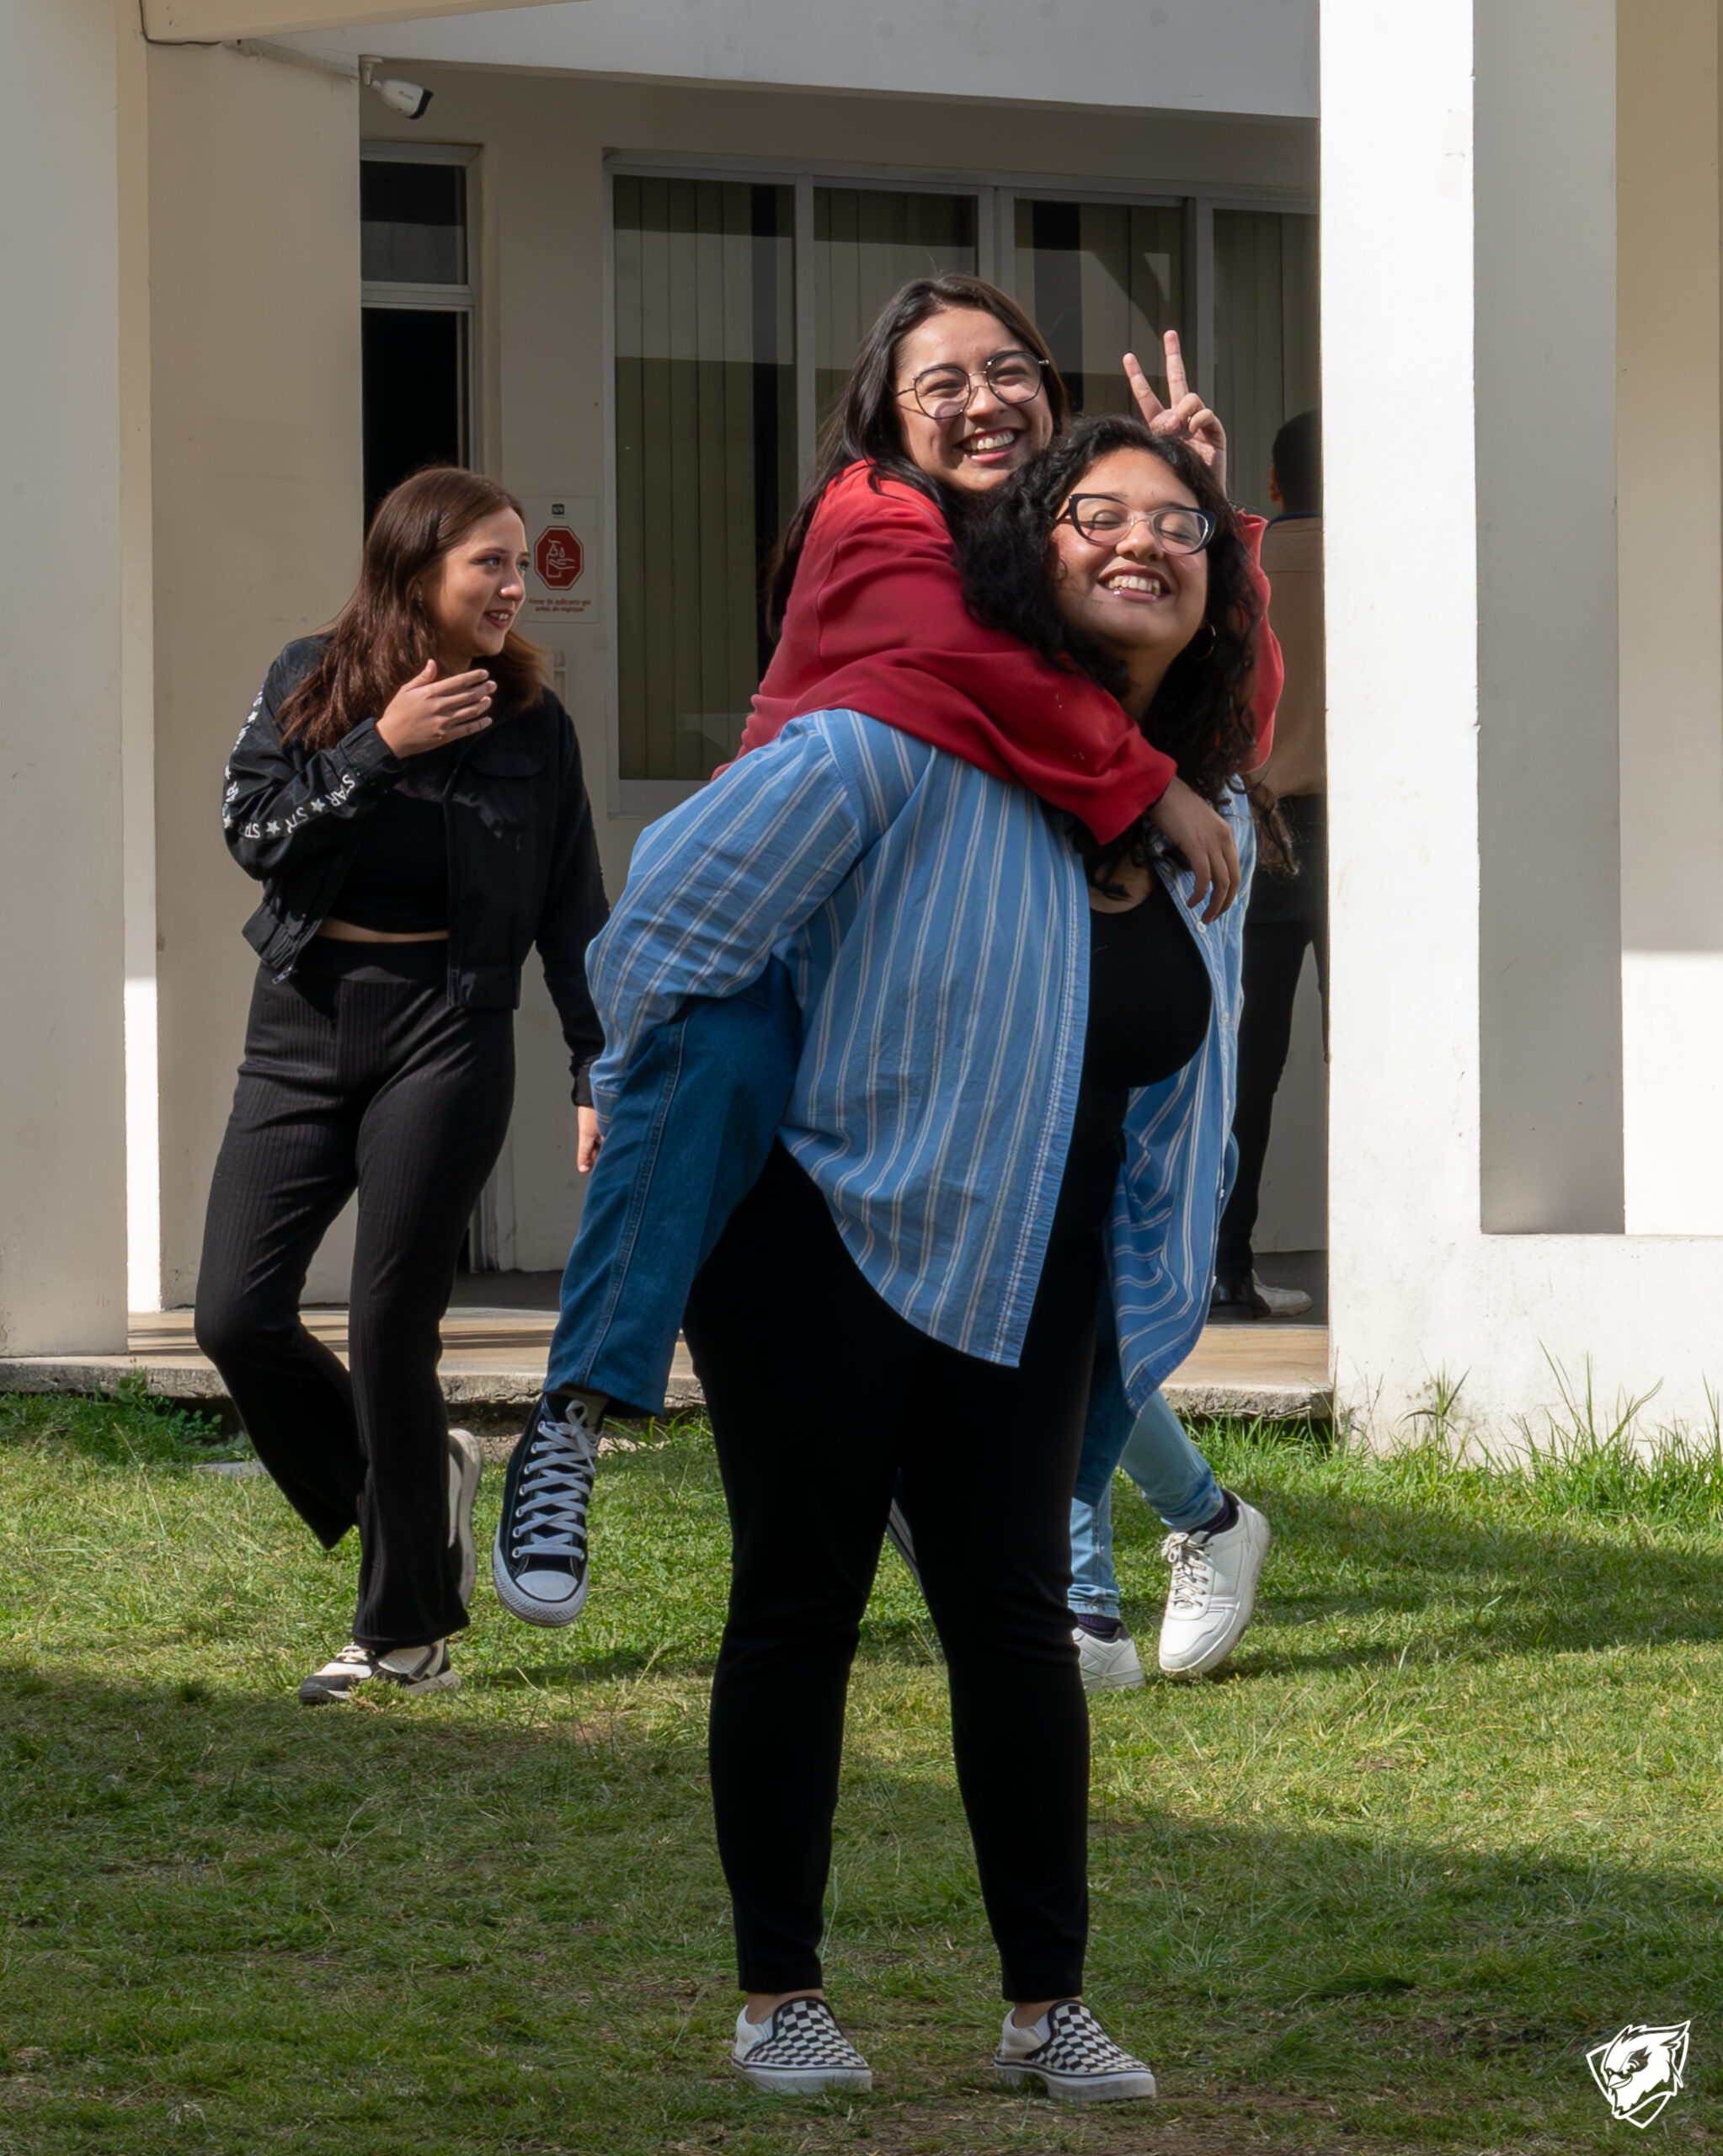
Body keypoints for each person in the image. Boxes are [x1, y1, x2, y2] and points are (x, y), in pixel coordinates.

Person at [582, 413, 1262, 2099]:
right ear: (1024, 553)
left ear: (1215, 585)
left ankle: (1046, 2009)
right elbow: (662, 912)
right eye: (1096, 513)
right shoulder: (899, 736)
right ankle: (779, 2000)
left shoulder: (1207, 823)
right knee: (799, 1601)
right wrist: (666, 1104)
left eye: (1178, 523)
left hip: (1037, 1264)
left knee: (1015, 1617)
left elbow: (1174, 1089)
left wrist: (1145, 1280)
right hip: (818, 1233)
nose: (1143, 540)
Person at [490, 278, 1278, 1641]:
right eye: (942, 383)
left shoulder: (1034, 544)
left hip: (916, 956)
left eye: (1011, 370)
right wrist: (1143, 782)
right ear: (884, 415)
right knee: (705, 1078)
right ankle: (573, 1417)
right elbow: (960, 665)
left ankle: (1085, 1528)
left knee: (1069, 1222)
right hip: (790, 928)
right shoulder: (873, 513)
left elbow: (1222, 712)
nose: (985, 401)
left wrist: (1196, 519)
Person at [194, 467, 607, 1705]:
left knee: (388, 1321)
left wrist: (596, 1065)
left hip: (448, 1028)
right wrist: (380, 746)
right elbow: (254, 833)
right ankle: (419, 1484)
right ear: (416, 567)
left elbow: (574, 912)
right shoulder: (309, 677)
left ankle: (404, 1635)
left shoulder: (532, 723)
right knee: (236, 1315)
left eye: (521, 563)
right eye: (491, 562)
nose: (514, 585)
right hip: (303, 1023)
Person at [1214, 408, 1326, 1318]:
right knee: (1379, 1057)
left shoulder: (1243, 568)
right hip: (1378, 839)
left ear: (1277, 484)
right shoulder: (1395, 567)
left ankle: (1227, 1267)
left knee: (1247, 1066)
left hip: (1265, 828)